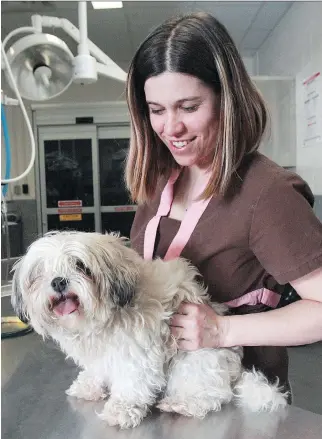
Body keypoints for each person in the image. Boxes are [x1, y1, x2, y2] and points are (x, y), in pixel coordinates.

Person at [125, 11, 322, 400]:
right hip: (158, 393)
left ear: (225, 99)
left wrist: (222, 330)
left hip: (238, 402)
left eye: (188, 106)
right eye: (157, 110)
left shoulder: (267, 193)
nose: (171, 129)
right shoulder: (160, 180)